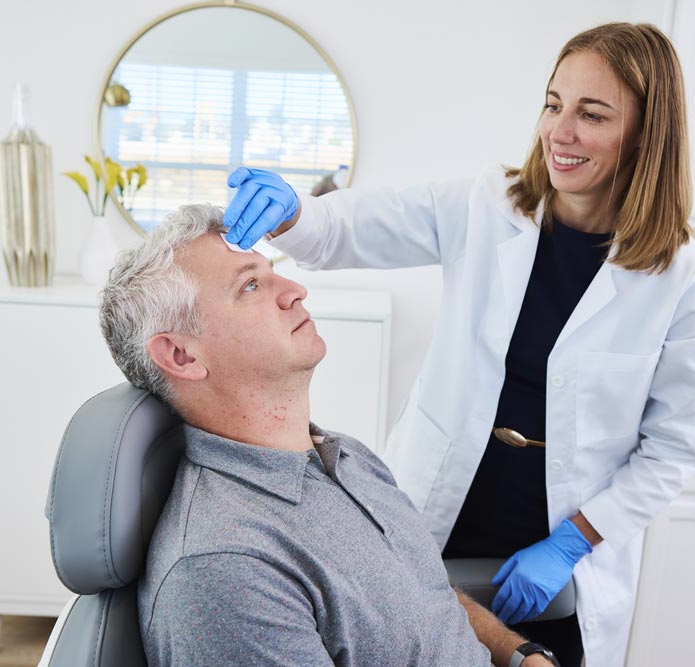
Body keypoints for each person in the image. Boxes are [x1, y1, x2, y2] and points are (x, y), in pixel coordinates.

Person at [219, 22, 695, 667]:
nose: (560, 131)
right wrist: (295, 210)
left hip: (565, 537)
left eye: (592, 114)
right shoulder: (490, 204)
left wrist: (573, 542)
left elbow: (672, 452)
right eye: (554, 104)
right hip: (440, 504)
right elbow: (351, 229)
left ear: (647, 134)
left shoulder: (686, 283)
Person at [98, 203, 564, 667]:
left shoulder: (348, 458)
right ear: (180, 356)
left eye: (272, 271)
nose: (296, 291)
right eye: (251, 285)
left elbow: (426, 596)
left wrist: (521, 655)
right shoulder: (226, 568)